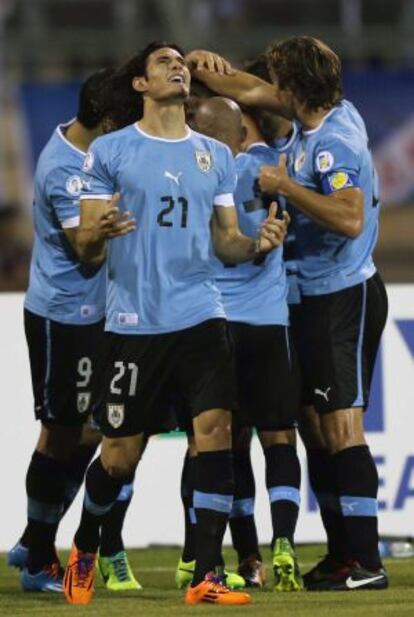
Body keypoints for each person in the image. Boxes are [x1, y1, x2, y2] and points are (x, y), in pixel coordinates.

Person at [62, 41, 288, 607]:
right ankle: (86, 544)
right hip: (135, 324)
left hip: (202, 314)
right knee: (119, 456)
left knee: (214, 434)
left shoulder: (214, 156)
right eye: (163, 62)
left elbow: (226, 244)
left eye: (180, 62)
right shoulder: (111, 152)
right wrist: (99, 232)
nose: (178, 66)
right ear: (140, 84)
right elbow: (85, 247)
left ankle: (206, 574)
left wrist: (256, 245)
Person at [191, 36, 388, 591]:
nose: (269, 87)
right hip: (311, 298)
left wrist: (284, 186)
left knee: (342, 426)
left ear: (296, 88)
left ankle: (367, 562)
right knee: (315, 427)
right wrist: (208, 70)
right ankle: (342, 553)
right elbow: (249, 88)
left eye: (280, 78)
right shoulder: (317, 115)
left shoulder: (335, 142)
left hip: (342, 295)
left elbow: (348, 219)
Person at [11, 69, 141, 593]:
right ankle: (39, 555)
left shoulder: (81, 144)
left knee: (88, 431)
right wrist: (103, 232)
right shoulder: (68, 170)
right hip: (63, 318)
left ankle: (32, 536)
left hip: (96, 316)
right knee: (62, 433)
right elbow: (86, 251)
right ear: (108, 121)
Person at [189, 96, 302, 592]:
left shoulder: (188, 176)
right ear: (241, 136)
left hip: (214, 323)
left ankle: (248, 557)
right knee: (279, 436)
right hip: (268, 322)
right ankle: (285, 544)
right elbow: (290, 114)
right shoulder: (268, 165)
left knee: (224, 443)